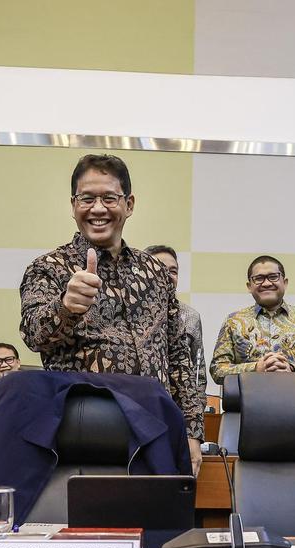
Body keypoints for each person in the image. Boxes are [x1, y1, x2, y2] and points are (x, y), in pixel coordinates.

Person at [19, 154, 203, 474]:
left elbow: (178, 356)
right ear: (73, 205)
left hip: (155, 434)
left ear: (128, 205)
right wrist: (65, 308)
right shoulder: (48, 268)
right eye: (87, 198)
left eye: (109, 198)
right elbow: (33, 334)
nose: (98, 209)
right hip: (85, 435)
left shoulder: (155, 272)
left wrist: (192, 432)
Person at [210, 255, 295, 384]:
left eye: (273, 277)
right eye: (259, 278)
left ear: (285, 283)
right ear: (249, 286)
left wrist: (293, 369)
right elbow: (217, 370)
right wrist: (255, 368)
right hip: (249, 396)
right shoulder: (234, 321)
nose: (267, 283)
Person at [145, 244, 208, 409]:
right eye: (159, 269)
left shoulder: (191, 316)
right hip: (138, 403)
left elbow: (198, 372)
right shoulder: (127, 312)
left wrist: (197, 410)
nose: (168, 275)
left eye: (173, 271)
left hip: (178, 407)